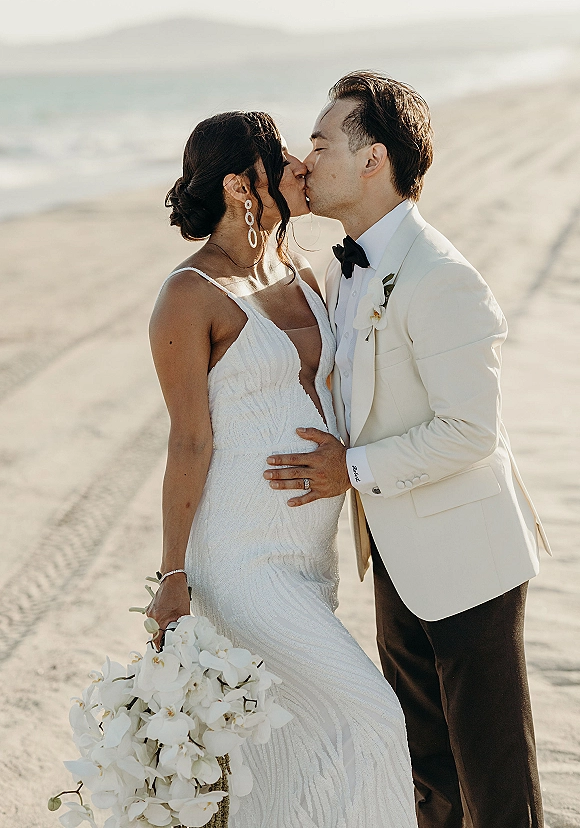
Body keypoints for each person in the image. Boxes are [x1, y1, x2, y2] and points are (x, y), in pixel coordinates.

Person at [264, 72, 550, 828]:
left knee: (495, 784)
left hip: (467, 555)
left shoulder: (442, 277)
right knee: (426, 772)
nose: (305, 160)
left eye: (321, 145)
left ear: (373, 160)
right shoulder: (343, 265)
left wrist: (348, 470)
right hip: (393, 547)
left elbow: (470, 430)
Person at [147, 110, 417, 827]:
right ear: (242, 184)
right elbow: (188, 443)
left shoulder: (299, 267)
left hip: (309, 559)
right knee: (373, 717)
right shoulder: (189, 294)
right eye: (283, 159)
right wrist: (173, 576)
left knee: (285, 754)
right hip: (241, 562)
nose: (301, 167)